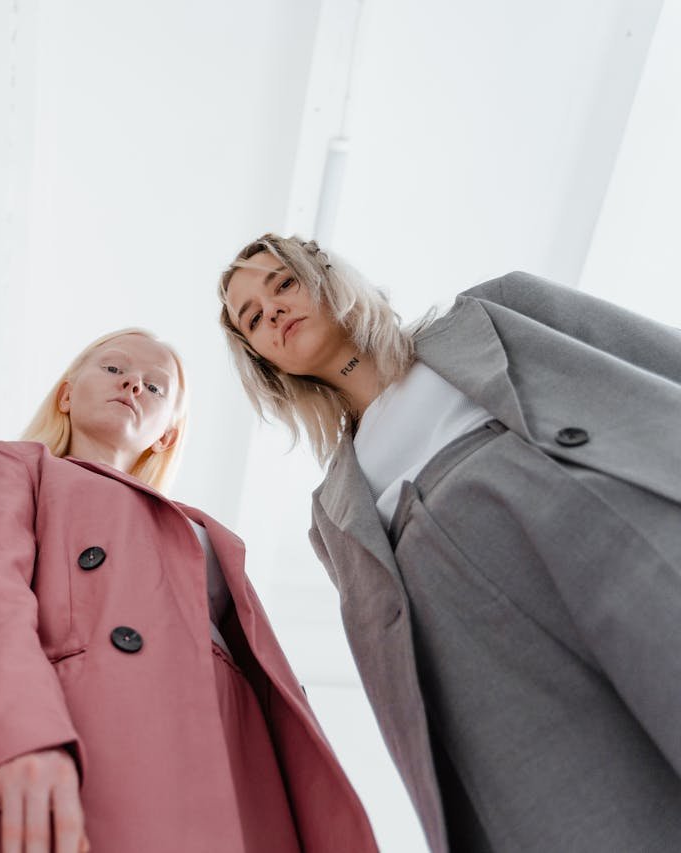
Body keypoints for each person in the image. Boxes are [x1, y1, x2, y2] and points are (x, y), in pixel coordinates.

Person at [217, 233, 681, 852]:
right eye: (253, 317)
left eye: (283, 283)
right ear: (264, 361)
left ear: (327, 276)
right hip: (484, 659)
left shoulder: (494, 314)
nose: (272, 310)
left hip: (596, 531)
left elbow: (653, 362)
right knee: (579, 810)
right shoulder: (330, 514)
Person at [0, 329, 376, 853]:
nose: (134, 384)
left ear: (166, 435)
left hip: (232, 750)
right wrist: (20, 735)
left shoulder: (203, 529)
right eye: (114, 369)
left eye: (156, 388)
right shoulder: (17, 465)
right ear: (66, 394)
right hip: (79, 728)